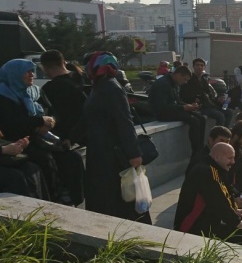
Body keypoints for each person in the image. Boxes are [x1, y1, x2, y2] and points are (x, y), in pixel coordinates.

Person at [0, 58, 84, 205]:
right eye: (27, 71)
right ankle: (53, 199)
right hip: (17, 141)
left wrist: (49, 122)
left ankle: (73, 197)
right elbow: (11, 124)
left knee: (72, 157)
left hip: (41, 136)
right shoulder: (4, 96)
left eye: (32, 71)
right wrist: (39, 123)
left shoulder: (35, 92)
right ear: (15, 74)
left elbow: (52, 112)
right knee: (43, 159)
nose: (32, 74)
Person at [82, 52, 147, 222]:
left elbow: (124, 122)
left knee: (114, 198)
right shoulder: (99, 86)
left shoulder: (111, 88)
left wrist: (134, 153)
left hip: (110, 154)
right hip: (100, 150)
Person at [174, 142, 242, 243]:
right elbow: (217, 201)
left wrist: (234, 208)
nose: (233, 162)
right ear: (216, 157)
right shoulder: (206, 172)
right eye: (230, 158)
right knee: (240, 231)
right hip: (192, 227)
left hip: (205, 219)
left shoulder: (215, 168)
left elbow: (223, 194)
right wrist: (236, 221)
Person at [148, 64, 206, 156]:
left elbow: (177, 101)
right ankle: (196, 150)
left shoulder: (175, 84)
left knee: (201, 119)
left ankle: (201, 147)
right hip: (163, 113)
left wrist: (188, 105)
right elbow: (162, 106)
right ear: (179, 75)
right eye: (185, 79)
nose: (185, 82)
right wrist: (183, 107)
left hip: (172, 110)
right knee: (194, 121)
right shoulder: (163, 84)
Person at [40, 49, 88, 145]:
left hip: (66, 141)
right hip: (89, 136)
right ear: (63, 62)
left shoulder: (50, 88)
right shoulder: (83, 78)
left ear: (45, 67)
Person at [181, 58, 228, 126]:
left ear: (204, 67)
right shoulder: (189, 79)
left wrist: (219, 99)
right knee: (220, 116)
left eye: (202, 65)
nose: (199, 67)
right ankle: (218, 134)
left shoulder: (204, 80)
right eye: (197, 65)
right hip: (201, 107)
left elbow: (210, 95)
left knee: (228, 111)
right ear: (193, 66)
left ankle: (225, 134)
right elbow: (184, 94)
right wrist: (195, 99)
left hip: (210, 104)